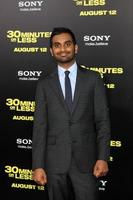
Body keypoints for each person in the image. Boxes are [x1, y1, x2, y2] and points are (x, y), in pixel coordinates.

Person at [32, 27, 111, 200]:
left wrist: (103, 157)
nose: (63, 49)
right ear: (51, 51)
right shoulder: (44, 85)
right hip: (54, 164)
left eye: (67, 44)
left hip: (87, 162)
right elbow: (39, 126)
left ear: (76, 47)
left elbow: (102, 121)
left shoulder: (93, 79)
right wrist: (37, 165)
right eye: (57, 45)